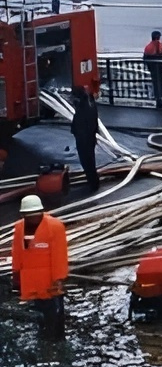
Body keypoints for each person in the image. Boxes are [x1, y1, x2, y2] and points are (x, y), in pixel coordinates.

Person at [11, 194, 69, 340]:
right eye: (29, 215)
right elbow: (17, 251)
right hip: (32, 280)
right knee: (41, 312)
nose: (33, 218)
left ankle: (56, 340)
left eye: (35, 215)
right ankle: (45, 337)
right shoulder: (19, 228)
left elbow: (60, 255)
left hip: (50, 281)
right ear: (23, 214)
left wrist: (58, 279)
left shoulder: (55, 227)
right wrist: (16, 273)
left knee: (55, 313)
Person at [68, 86, 99, 192]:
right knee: (90, 160)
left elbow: (79, 125)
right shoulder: (90, 105)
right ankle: (93, 182)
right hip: (89, 138)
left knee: (87, 161)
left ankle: (93, 183)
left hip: (84, 139)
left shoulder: (82, 109)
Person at [142, 30, 162, 110]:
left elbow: (145, 58)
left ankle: (159, 100)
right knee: (161, 84)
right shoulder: (160, 46)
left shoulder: (148, 47)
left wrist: (150, 68)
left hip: (154, 69)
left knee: (156, 84)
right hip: (160, 69)